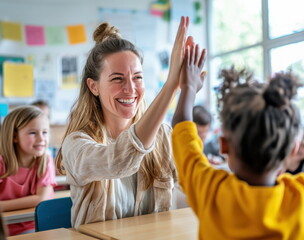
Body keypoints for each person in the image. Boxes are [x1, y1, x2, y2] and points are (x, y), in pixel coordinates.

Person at [171, 59, 304, 239]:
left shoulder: (208, 188)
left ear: (224, 145)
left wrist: (189, 88)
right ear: (293, 150)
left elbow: (181, 126)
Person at [55, 17, 197, 229]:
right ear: (93, 87)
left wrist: (189, 89)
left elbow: (193, 183)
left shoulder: (162, 135)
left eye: (137, 77)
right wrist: (171, 87)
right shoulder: (76, 144)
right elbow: (120, 161)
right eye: (117, 79)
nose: (130, 89)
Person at [0, 106, 56, 236]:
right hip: (3, 229)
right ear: (14, 136)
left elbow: (41, 198)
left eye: (45, 132)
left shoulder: (45, 161)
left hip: (34, 227)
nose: (41, 139)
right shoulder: (2, 163)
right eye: (33, 133)